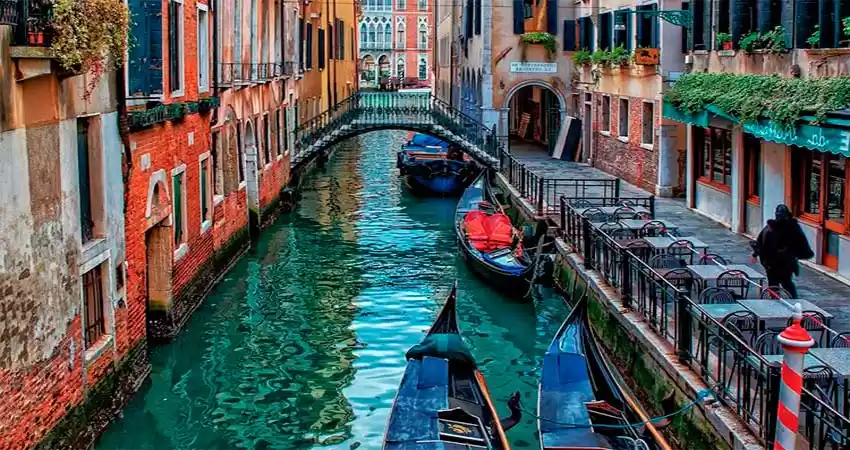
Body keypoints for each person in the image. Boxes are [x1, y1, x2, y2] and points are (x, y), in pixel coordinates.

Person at [750, 204, 814, 298]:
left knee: (775, 284)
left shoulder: (770, 229)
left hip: (773, 263)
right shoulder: (793, 228)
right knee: (786, 283)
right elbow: (802, 244)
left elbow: (761, 244)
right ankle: (793, 301)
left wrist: (755, 254)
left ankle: (776, 303)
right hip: (785, 262)